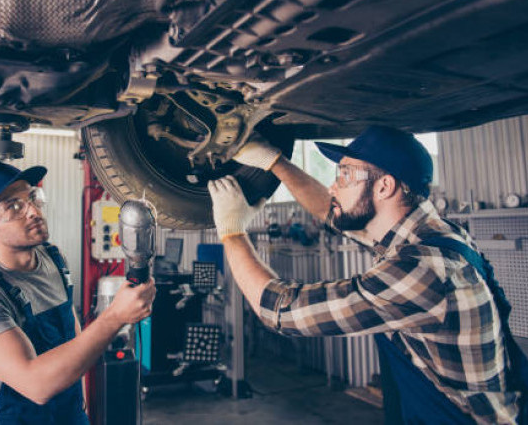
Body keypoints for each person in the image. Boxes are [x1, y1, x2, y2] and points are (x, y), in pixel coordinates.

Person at [208, 126, 524, 424]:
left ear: (384, 186)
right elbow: (330, 212)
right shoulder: (430, 233)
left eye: (344, 176)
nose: (333, 186)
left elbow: (280, 310)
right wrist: (275, 162)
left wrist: (232, 231)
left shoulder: (423, 269)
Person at [0, 163, 155, 425]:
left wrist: (80, 402)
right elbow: (36, 384)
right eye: (13, 206)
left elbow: (71, 328)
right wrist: (114, 317)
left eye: (33, 198)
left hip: (70, 414)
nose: (34, 212)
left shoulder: (52, 258)